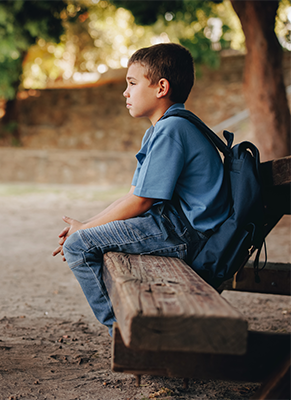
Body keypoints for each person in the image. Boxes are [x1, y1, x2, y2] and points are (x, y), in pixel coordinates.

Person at [52, 43, 230, 335]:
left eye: (132, 83)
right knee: (82, 240)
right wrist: (86, 225)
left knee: (78, 247)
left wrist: (83, 232)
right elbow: (133, 195)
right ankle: (129, 332)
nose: (126, 92)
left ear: (161, 87)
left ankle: (125, 336)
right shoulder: (163, 129)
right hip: (173, 226)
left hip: (184, 233)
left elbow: (141, 202)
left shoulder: (172, 130)